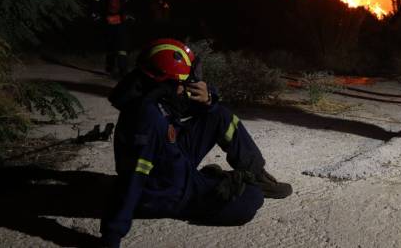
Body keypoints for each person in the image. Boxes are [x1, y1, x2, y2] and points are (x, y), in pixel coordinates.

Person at [100, 38, 292, 247]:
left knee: (219, 115)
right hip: (167, 193)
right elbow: (134, 176)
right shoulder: (146, 119)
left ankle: (255, 172)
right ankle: (214, 184)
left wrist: (208, 99)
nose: (186, 88)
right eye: (183, 83)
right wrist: (112, 234)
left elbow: (189, 105)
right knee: (251, 198)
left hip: (171, 163)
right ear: (167, 82)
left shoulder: (154, 94)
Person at [92, 0, 132, 78]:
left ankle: (109, 69)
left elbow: (95, 5)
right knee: (122, 47)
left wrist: (96, 16)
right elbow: (129, 5)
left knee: (110, 46)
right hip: (121, 22)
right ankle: (123, 71)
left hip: (107, 21)